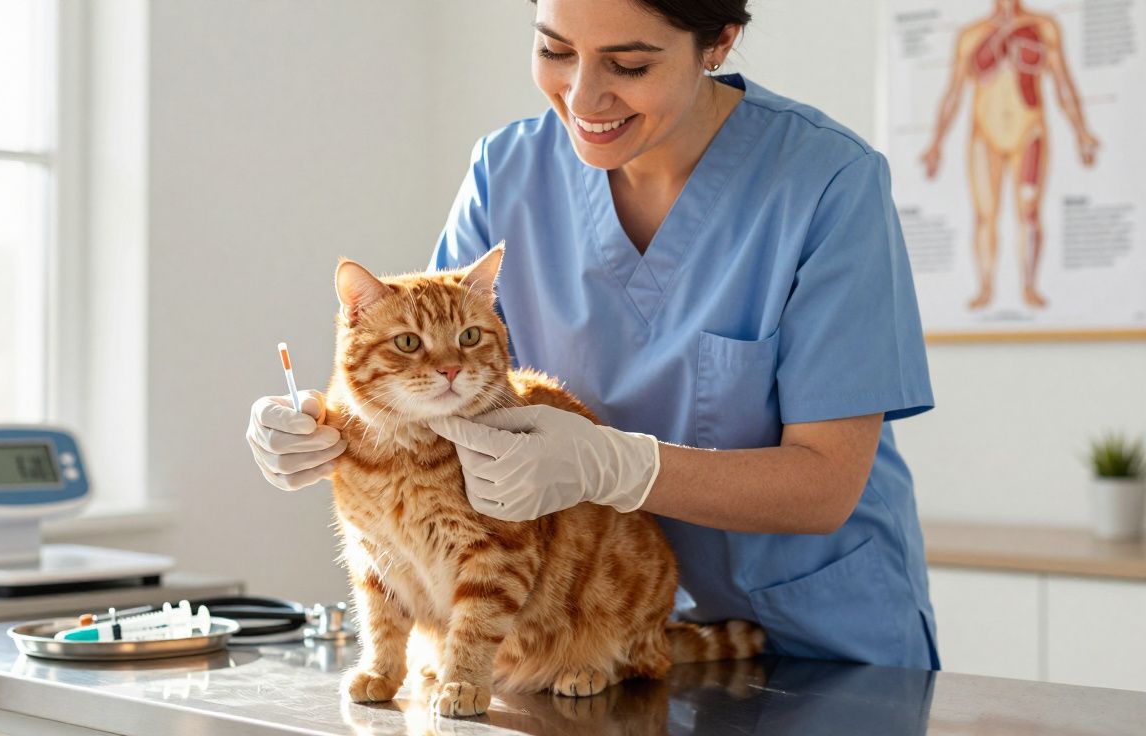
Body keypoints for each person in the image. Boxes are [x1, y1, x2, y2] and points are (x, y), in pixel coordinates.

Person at [248, 0, 939, 670]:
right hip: (569, 627)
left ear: (720, 44)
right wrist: (333, 425)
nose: (583, 96)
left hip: (814, 644)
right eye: (554, 50)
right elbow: (429, 366)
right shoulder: (506, 173)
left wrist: (619, 467)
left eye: (629, 65)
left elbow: (825, 485)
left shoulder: (827, 183)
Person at [921, 0, 1098, 310]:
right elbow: (953, 92)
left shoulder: (1044, 27)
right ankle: (986, 287)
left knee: (1028, 211)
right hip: (984, 136)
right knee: (985, 214)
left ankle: (1029, 286)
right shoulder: (971, 34)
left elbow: (1063, 83)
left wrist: (1081, 131)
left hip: (1028, 130)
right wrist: (936, 142)